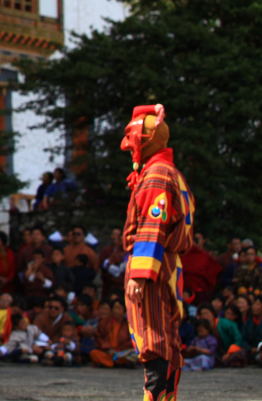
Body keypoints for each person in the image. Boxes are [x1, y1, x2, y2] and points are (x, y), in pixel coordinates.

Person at [121, 105, 194, 399]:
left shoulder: (157, 175)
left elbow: (153, 225)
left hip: (152, 266)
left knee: (155, 339)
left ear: (147, 139)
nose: (127, 146)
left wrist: (139, 274)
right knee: (164, 338)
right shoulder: (166, 172)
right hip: (165, 263)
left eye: (132, 138)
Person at [90, 299, 137, 367]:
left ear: (124, 311)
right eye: (115, 308)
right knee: (93, 353)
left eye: (119, 309)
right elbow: (99, 339)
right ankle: (116, 362)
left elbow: (132, 340)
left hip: (123, 352)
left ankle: (109, 362)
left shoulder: (128, 325)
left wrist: (119, 349)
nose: (116, 311)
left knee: (135, 354)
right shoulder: (104, 323)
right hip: (108, 352)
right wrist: (109, 348)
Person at [99, 227, 128, 300]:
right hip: (115, 284)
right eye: (121, 240)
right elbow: (110, 261)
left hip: (127, 284)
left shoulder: (132, 251)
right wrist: (112, 266)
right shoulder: (117, 251)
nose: (122, 243)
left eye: (124, 240)